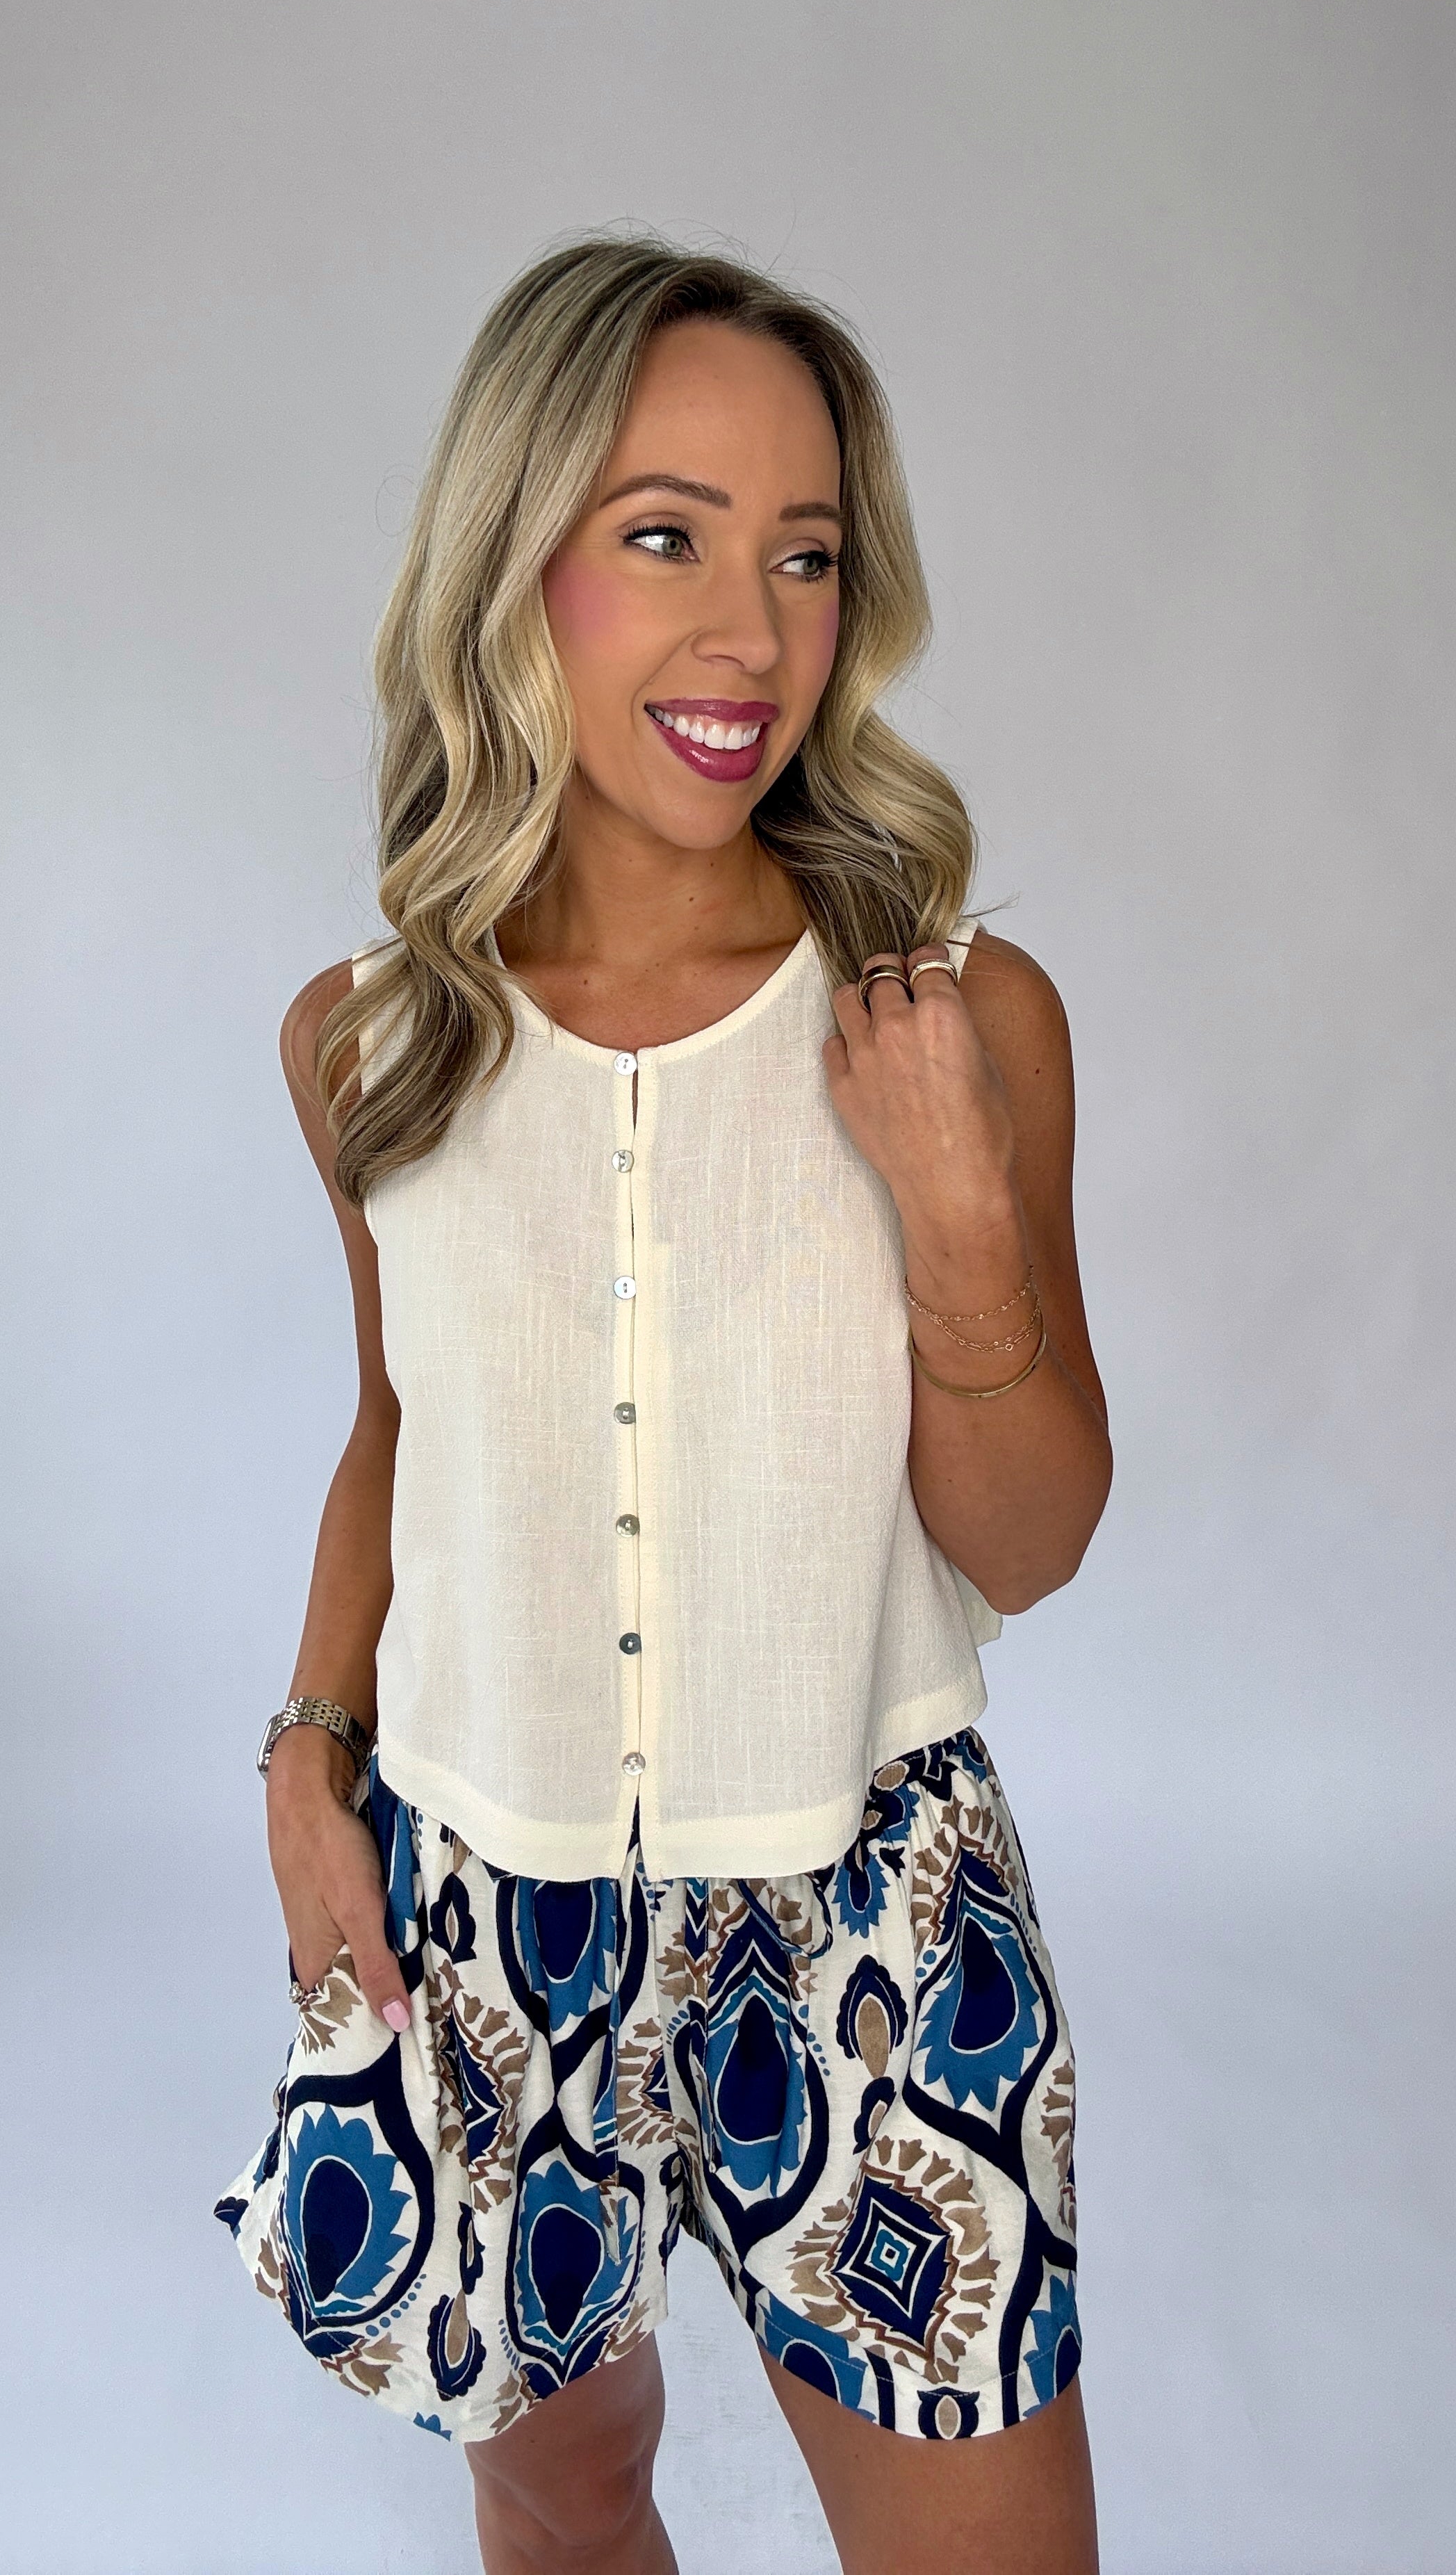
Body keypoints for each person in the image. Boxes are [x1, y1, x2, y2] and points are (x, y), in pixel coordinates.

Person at [214, 231, 1113, 2575]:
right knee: (571, 2509)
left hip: (871, 1928)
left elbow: (1030, 1545)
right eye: (665, 538)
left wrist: (956, 1214)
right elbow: (396, 1429)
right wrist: (308, 1751)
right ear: (514, 562)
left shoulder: (954, 1015)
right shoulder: (374, 1039)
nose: (752, 635)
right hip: (481, 1925)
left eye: (805, 556)